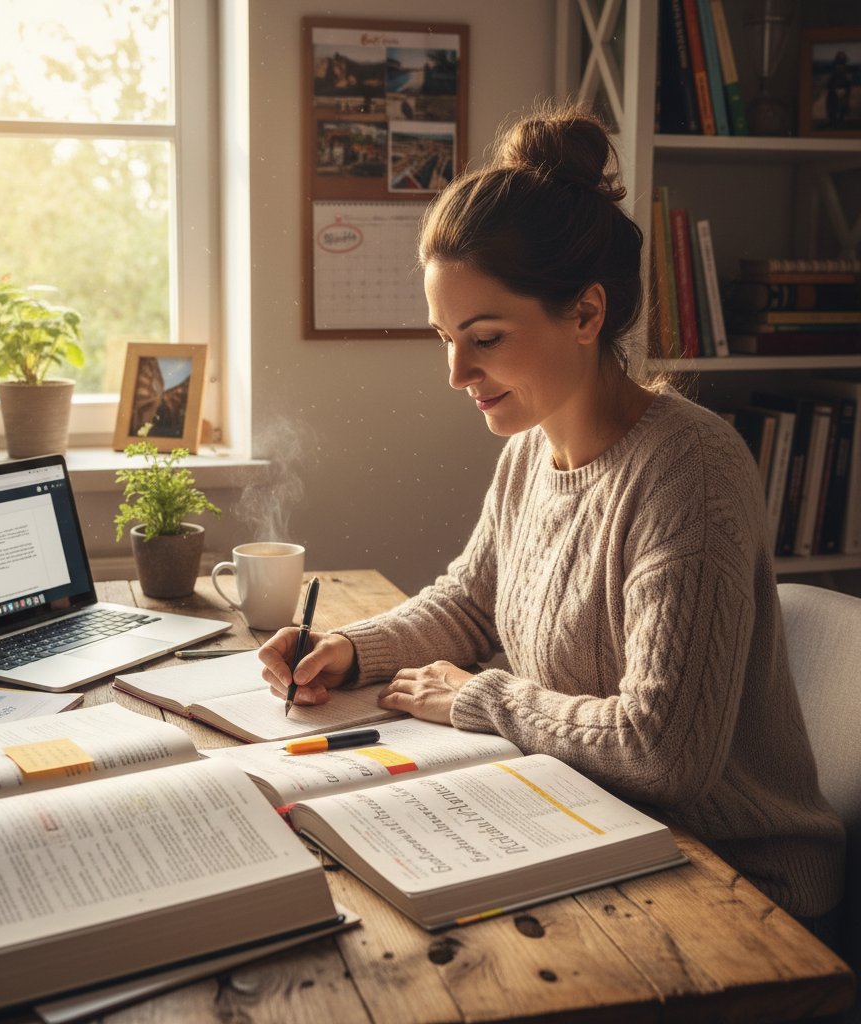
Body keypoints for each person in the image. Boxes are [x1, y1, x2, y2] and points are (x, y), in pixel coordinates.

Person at [259, 105, 845, 927]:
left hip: (737, 881)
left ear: (585, 314)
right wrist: (351, 650)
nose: (456, 372)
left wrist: (478, 699)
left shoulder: (692, 473)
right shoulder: (531, 451)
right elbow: (470, 602)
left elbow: (663, 752)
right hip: (590, 817)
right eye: (443, 337)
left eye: (485, 338)